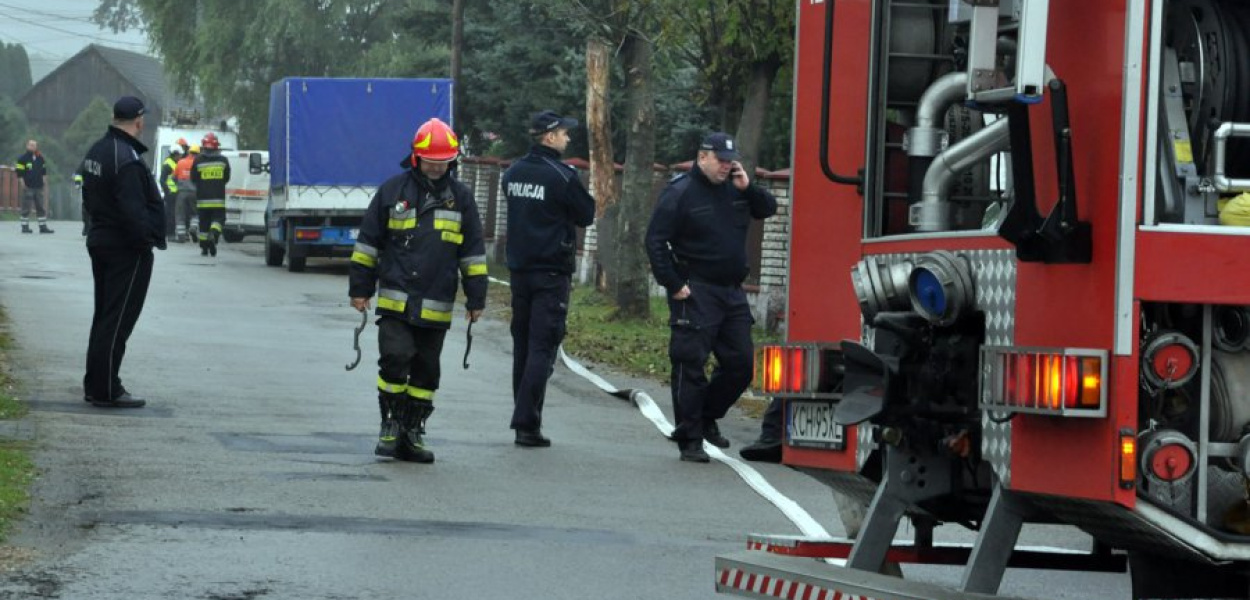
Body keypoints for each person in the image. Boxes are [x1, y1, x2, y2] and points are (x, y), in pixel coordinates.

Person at [348, 117, 487, 464]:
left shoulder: (462, 199)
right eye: (431, 160)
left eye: (443, 161)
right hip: (396, 300)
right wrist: (360, 289)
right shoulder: (392, 192)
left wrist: (476, 297)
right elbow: (368, 245)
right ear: (416, 157)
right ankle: (391, 424)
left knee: (427, 372)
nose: (437, 167)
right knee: (395, 359)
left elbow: (472, 254)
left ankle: (413, 431)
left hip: (436, 302)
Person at [645, 132, 777, 462]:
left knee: (741, 365)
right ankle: (689, 438)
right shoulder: (680, 193)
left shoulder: (737, 186)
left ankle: (706, 417)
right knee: (690, 362)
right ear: (702, 157)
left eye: (730, 160)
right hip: (696, 288)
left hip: (731, 291)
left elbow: (768, 209)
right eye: (720, 160)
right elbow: (655, 242)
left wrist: (750, 187)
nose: (726, 166)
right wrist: (673, 283)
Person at [503, 110, 595, 447]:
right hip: (551, 273)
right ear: (550, 136)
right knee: (543, 346)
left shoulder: (512, 173)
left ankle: (523, 418)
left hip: (519, 271)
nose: (568, 138)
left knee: (523, 346)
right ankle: (527, 424)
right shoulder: (562, 175)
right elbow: (586, 213)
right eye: (564, 133)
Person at [80, 96, 166, 408]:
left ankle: (96, 384)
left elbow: (89, 197)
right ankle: (107, 389)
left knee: (105, 316)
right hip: (125, 249)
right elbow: (133, 210)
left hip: (102, 239)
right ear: (139, 121)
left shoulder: (99, 150)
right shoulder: (126, 157)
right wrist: (145, 241)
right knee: (117, 320)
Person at [191, 133, 230, 256]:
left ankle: (204, 248)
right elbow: (226, 177)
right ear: (216, 146)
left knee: (203, 223)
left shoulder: (198, 160)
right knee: (219, 219)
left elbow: (193, 178)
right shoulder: (223, 160)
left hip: (202, 200)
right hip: (218, 199)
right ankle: (214, 232)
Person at [14, 139, 53, 234]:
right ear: (27, 146)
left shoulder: (40, 158)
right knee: (26, 207)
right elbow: (19, 173)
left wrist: (44, 182)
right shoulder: (22, 158)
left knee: (40, 207)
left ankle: (43, 227)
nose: (33, 147)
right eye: (31, 145)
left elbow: (44, 171)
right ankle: (24, 227)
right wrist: (22, 183)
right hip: (28, 186)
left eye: (34, 145)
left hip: (38, 186)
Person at [159, 141, 185, 241]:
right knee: (170, 214)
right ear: (174, 154)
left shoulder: (174, 163)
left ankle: (170, 233)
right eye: (179, 155)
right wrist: (167, 191)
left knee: (173, 214)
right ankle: (170, 234)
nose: (180, 157)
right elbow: (162, 180)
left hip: (175, 193)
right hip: (171, 193)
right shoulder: (168, 164)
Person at [173, 144, 198, 242]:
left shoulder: (180, 162)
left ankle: (181, 236)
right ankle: (193, 227)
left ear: (188, 152)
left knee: (180, 214)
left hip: (182, 192)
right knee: (195, 212)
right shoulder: (198, 163)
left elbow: (174, 177)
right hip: (194, 192)